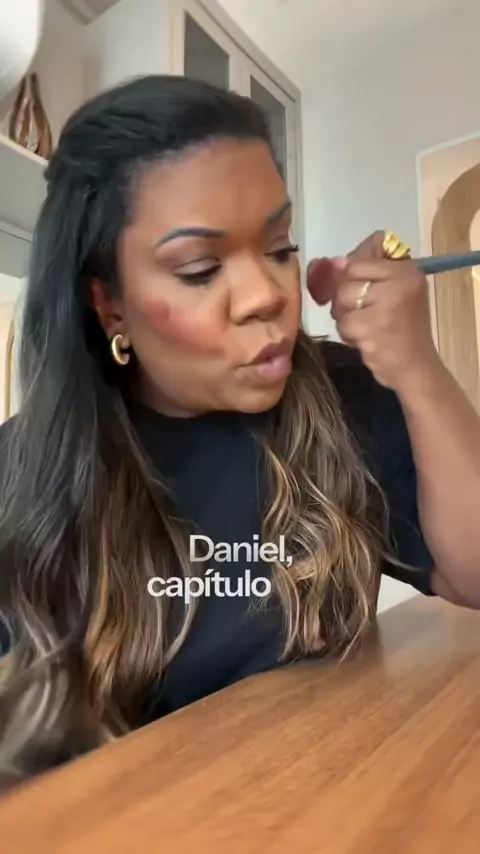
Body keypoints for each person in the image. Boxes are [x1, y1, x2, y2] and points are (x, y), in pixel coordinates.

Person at [0, 75, 479, 786]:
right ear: (110, 305)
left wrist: (417, 366)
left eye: (280, 247)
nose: (267, 296)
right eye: (200, 270)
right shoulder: (19, 475)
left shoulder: (344, 397)